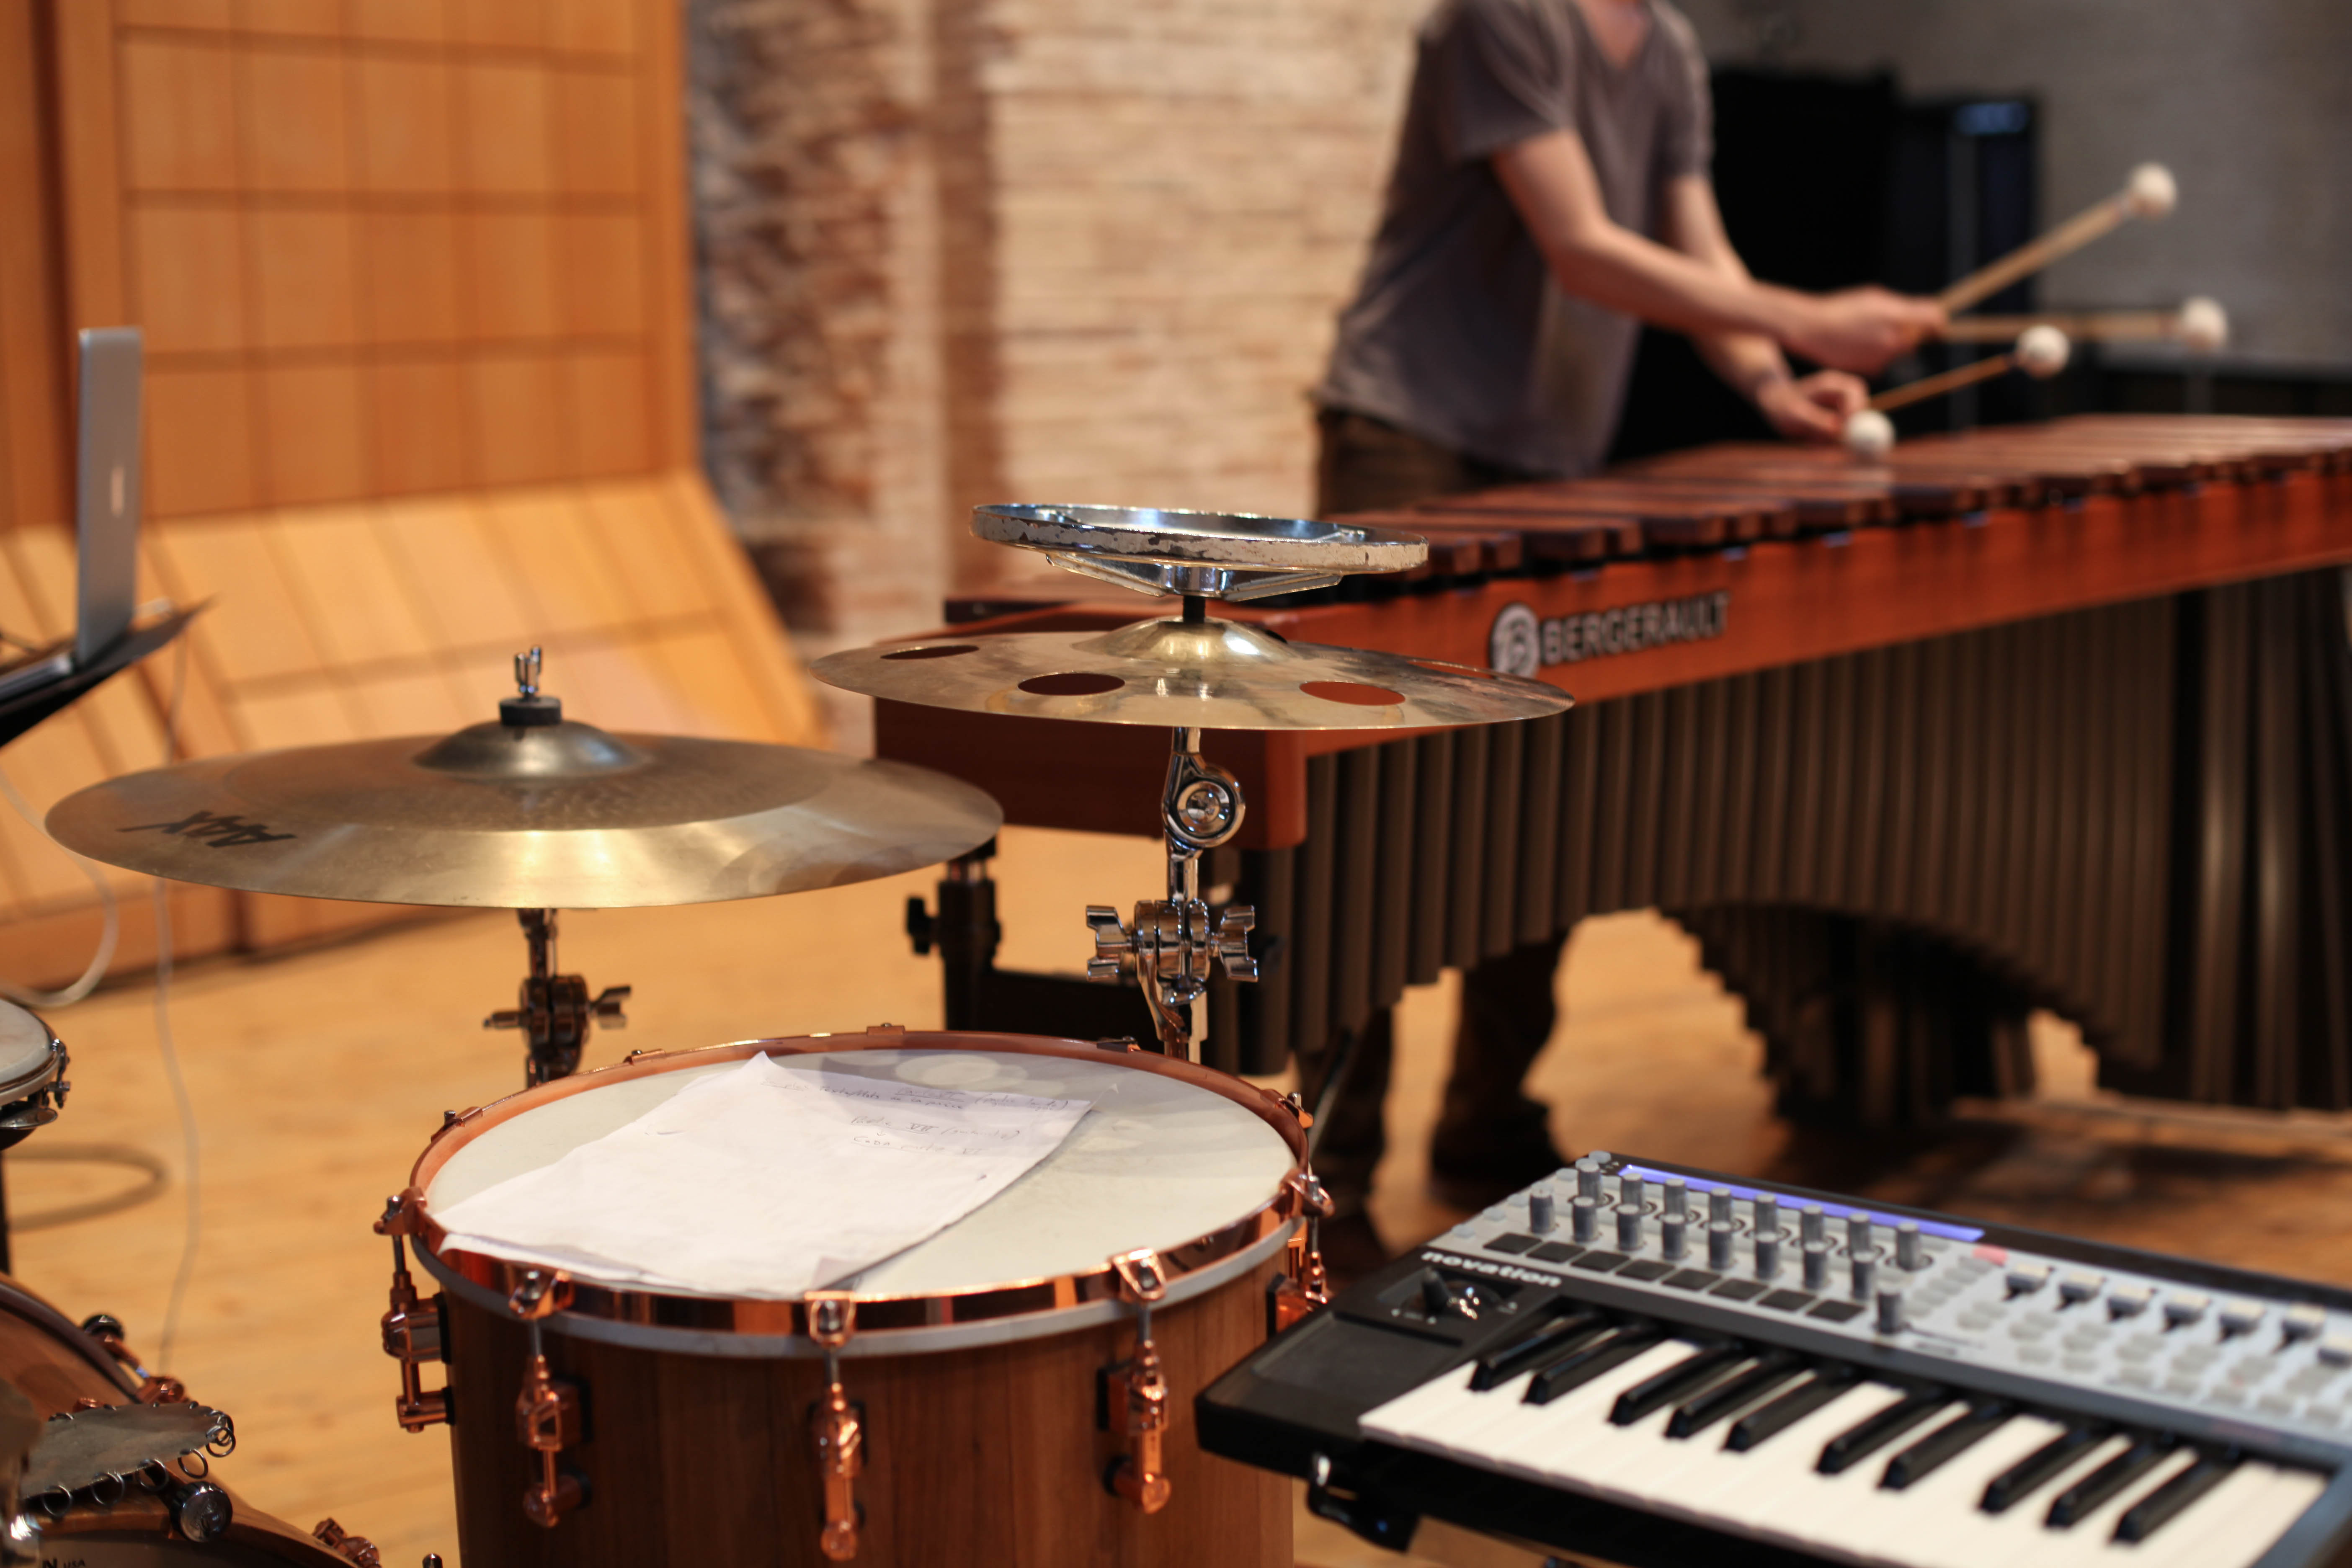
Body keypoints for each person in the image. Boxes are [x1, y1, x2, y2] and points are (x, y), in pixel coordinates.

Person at [1305, 0, 1944, 1278]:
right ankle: (1336, 1160)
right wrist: (1812, 316)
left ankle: (1489, 1121)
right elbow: (1587, 248)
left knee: (1539, 786)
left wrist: (1770, 380)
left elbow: (1689, 249)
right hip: (1409, 431)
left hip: (1547, 449)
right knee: (1381, 809)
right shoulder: (1502, 17)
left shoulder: (1668, 47)